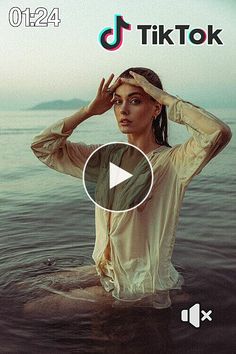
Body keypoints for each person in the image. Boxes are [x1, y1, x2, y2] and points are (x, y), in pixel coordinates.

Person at [27, 67, 232, 316]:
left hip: (138, 285)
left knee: (32, 309)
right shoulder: (105, 157)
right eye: (117, 102)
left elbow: (217, 132)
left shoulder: (173, 163)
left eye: (135, 101)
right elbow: (42, 147)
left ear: (156, 108)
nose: (123, 110)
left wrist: (164, 97)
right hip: (106, 270)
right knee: (28, 286)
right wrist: (88, 111)